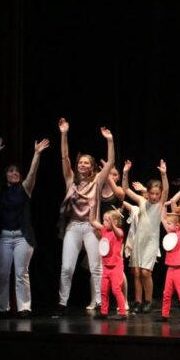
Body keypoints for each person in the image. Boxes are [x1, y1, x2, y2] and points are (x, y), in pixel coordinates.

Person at [55, 120, 115, 317]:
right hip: (73, 226)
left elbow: (110, 163)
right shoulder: (70, 179)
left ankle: (100, 303)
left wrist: (110, 141)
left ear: (91, 167)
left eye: (86, 163)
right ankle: (62, 303)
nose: (82, 164)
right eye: (80, 162)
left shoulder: (97, 181)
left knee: (96, 268)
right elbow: (64, 157)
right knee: (67, 267)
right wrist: (64, 134)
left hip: (91, 227)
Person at [0, 136, 48, 316]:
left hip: (22, 237)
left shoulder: (24, 189)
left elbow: (32, 173)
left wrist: (37, 154)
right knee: (2, 273)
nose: (15, 173)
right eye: (11, 171)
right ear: (5, 174)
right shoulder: (0, 190)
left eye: (17, 171)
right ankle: (1, 307)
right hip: (4, 237)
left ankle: (24, 308)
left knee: (21, 273)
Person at [122, 159, 169, 314]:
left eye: (157, 194)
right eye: (152, 193)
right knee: (136, 272)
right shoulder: (142, 201)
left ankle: (148, 300)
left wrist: (163, 175)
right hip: (138, 241)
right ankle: (138, 301)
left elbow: (166, 189)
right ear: (147, 193)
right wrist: (125, 172)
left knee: (145, 272)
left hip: (151, 242)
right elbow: (126, 189)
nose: (154, 196)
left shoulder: (160, 204)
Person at [90, 209, 128, 320]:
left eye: (106, 221)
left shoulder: (119, 231)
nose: (104, 223)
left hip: (116, 266)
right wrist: (92, 207)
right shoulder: (104, 230)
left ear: (114, 222)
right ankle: (104, 312)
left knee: (116, 289)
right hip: (106, 266)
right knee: (103, 290)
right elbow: (92, 221)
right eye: (104, 220)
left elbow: (119, 234)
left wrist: (113, 226)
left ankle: (122, 313)